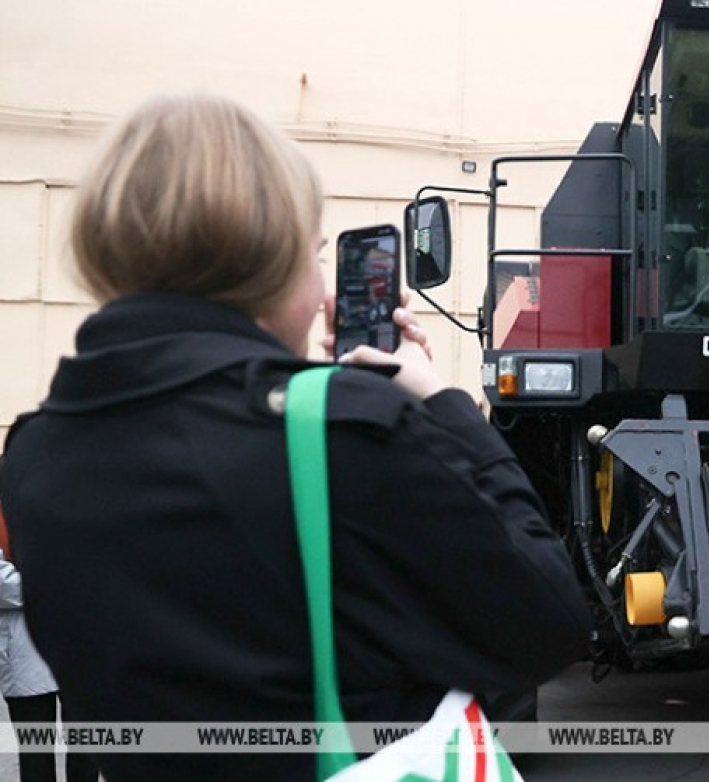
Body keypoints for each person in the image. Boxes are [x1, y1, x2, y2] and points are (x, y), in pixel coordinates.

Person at [0, 92, 593, 781]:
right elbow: (547, 622)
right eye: (313, 255)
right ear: (261, 258)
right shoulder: (342, 431)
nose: (320, 291)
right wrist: (439, 399)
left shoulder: (37, 451)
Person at [1, 529, 99, 782]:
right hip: (25, 648)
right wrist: (63, 584)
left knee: (86, 749)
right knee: (36, 751)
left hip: (79, 643)